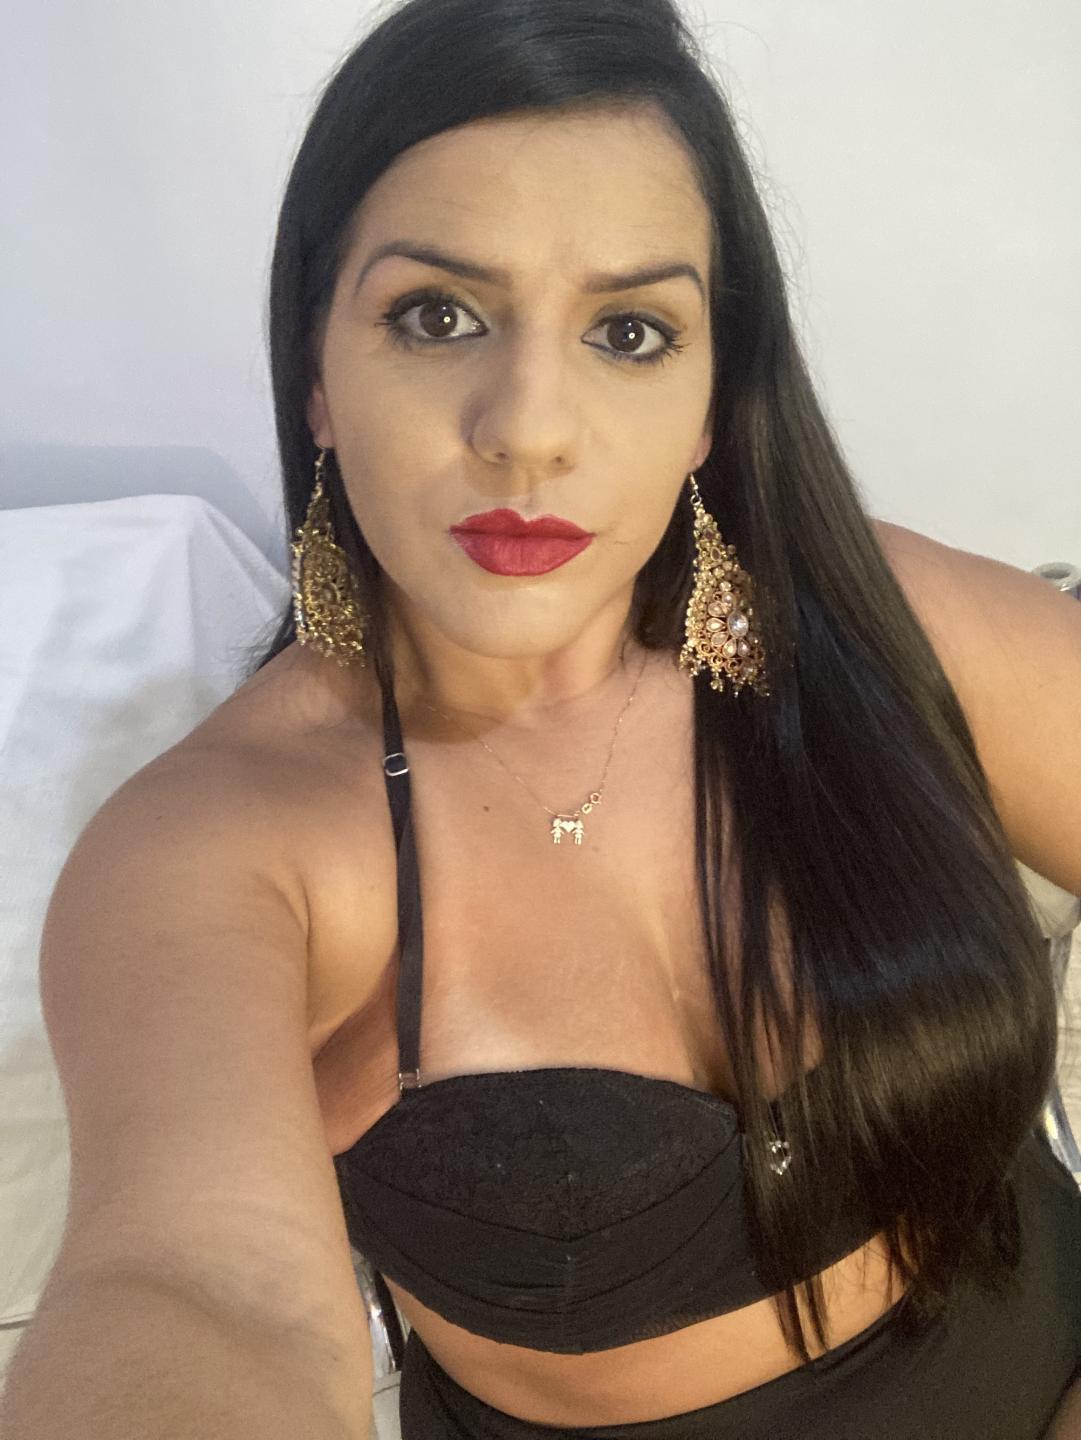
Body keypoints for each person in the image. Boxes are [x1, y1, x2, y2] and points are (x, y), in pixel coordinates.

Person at [3, 0, 1081, 1436]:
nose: (529, 427)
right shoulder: (221, 854)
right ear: (317, 375)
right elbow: (194, 1289)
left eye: (630, 331)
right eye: (436, 315)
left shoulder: (878, 624)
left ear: (710, 403)